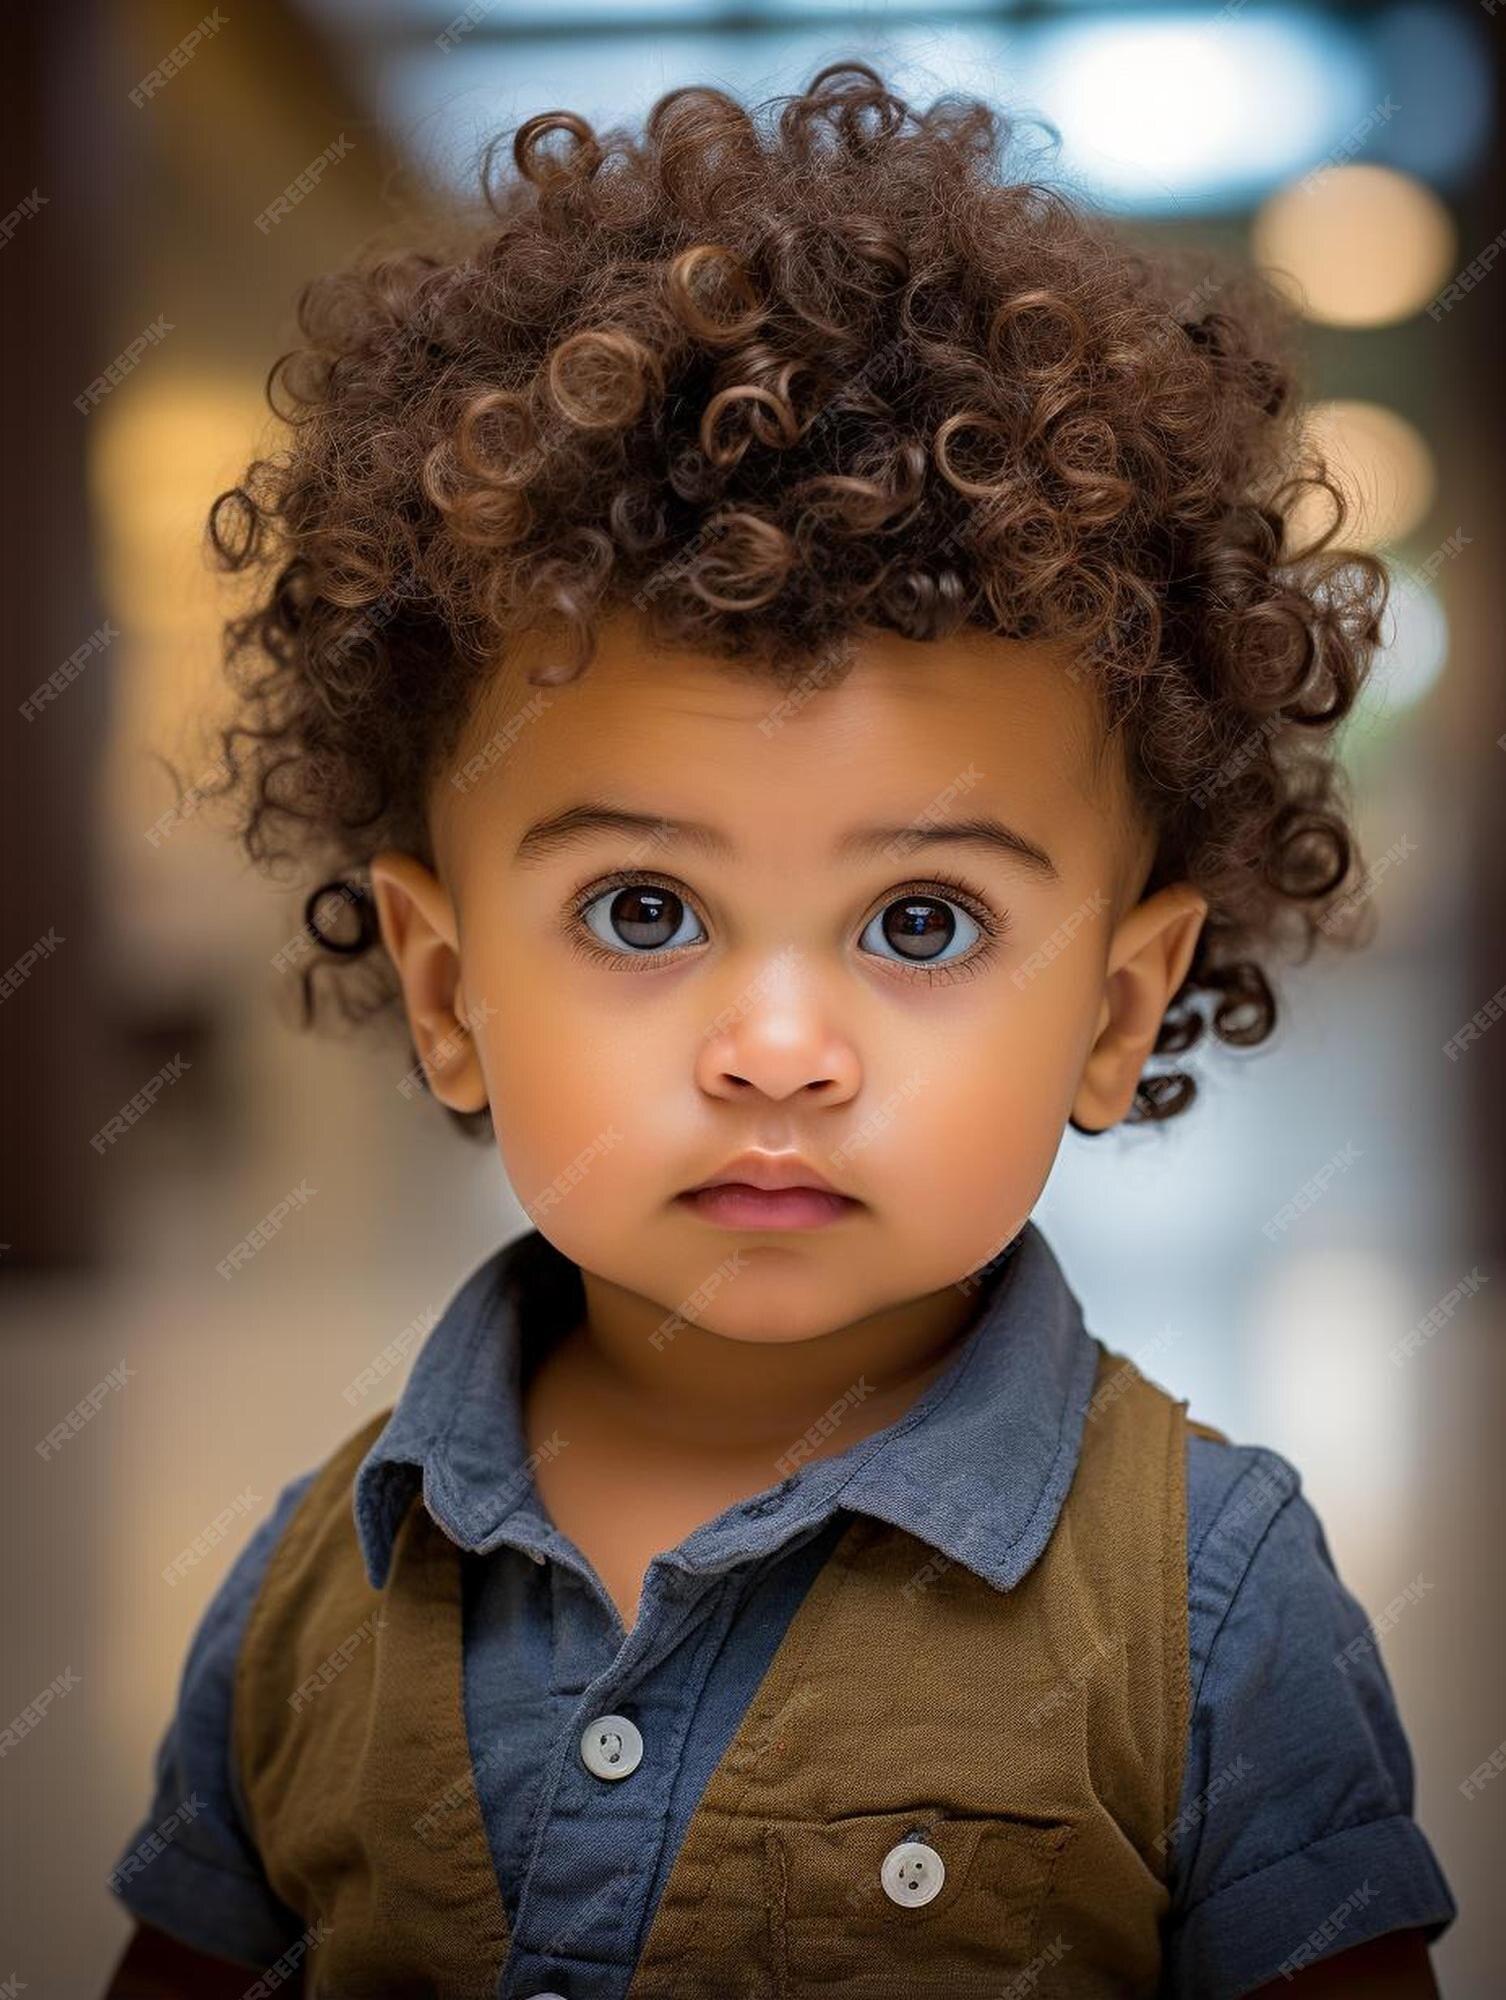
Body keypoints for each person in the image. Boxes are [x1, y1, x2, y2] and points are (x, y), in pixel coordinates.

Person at [103, 60, 1457, 2000]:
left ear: (1118, 1005)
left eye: (922, 920)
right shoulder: (325, 1579)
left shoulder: (1212, 1608)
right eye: (643, 910)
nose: (777, 1045)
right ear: (445, 988)